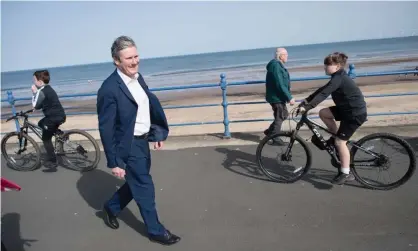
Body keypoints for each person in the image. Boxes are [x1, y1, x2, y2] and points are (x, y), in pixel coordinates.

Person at [96, 35, 180, 245]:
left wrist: (155, 132)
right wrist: (114, 161)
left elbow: (145, 108)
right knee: (144, 185)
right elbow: (106, 128)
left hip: (143, 141)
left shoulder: (138, 77)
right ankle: (155, 231)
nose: (134, 62)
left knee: (136, 181)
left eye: (136, 56)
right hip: (128, 145)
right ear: (117, 60)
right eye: (129, 58)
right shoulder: (109, 89)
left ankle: (111, 207)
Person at [299, 52, 367, 185]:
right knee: (324, 113)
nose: (324, 67)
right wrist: (307, 100)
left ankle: (346, 173)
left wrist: (308, 107)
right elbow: (322, 89)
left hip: (354, 114)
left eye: (327, 65)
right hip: (346, 110)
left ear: (337, 66)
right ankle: (334, 137)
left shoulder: (339, 78)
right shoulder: (337, 76)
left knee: (340, 143)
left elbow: (324, 94)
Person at [31, 70, 66, 172]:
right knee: (40, 123)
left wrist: (34, 92)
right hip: (60, 115)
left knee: (45, 139)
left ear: (40, 81)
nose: (34, 82)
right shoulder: (49, 88)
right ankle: (58, 133)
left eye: (34, 80)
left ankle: (53, 162)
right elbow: (42, 103)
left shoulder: (41, 91)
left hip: (52, 118)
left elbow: (35, 105)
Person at [264, 47, 295, 145]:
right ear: (280, 56)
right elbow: (279, 83)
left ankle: (270, 131)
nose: (287, 56)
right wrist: (289, 97)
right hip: (276, 97)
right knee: (280, 116)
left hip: (278, 96)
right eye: (286, 54)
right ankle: (275, 137)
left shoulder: (277, 65)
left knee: (284, 114)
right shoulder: (276, 66)